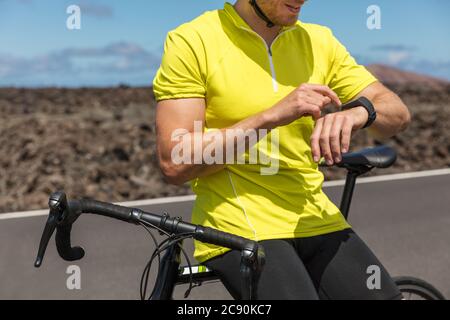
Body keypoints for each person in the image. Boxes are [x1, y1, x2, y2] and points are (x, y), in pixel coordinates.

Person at [153, 0, 411, 300]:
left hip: (315, 216)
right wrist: (271, 117)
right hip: (240, 224)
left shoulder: (319, 41)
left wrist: (358, 113)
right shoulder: (194, 40)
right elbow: (175, 161)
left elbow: (398, 113)